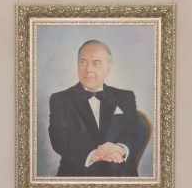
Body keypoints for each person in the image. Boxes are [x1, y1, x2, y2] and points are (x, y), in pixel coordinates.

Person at [48, 39, 147, 177]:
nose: (88, 69)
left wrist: (120, 149)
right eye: (83, 62)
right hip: (78, 175)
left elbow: (136, 133)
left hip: (119, 174)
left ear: (108, 69)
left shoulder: (125, 97)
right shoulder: (60, 99)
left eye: (96, 63)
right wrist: (93, 155)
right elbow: (59, 140)